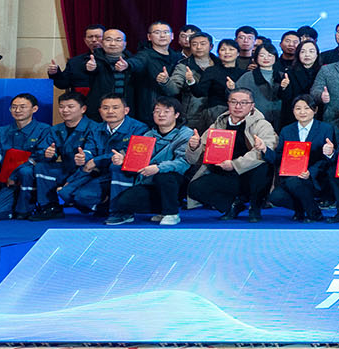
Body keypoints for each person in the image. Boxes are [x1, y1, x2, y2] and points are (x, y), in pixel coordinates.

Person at [185, 87, 279, 220]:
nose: (238, 106)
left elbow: (266, 151)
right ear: (228, 104)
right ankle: (232, 206)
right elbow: (193, 159)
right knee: (195, 188)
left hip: (251, 175)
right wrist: (194, 147)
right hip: (226, 175)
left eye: (243, 103)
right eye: (233, 102)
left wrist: (235, 165)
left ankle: (255, 207)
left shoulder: (262, 125)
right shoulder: (218, 124)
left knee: (263, 165)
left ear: (252, 106)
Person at [107, 97, 195, 225]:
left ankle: (171, 213)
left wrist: (158, 168)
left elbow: (183, 163)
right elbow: (137, 160)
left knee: (164, 177)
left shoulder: (186, 134)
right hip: (150, 180)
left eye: (166, 111)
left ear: (176, 114)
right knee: (124, 202)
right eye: (157, 111)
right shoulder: (147, 135)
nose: (161, 115)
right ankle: (161, 209)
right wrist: (124, 160)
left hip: (177, 181)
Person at [0, 91, 53, 220]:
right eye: (14, 107)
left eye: (22, 107)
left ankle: (28, 207)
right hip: (8, 182)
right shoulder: (1, 131)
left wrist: (14, 174)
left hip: (32, 181)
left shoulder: (45, 130)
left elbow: (40, 157)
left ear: (34, 109)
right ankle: (14, 206)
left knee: (26, 171)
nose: (17, 110)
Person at [269, 95, 335, 224]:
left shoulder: (326, 128)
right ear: (293, 111)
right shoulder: (287, 130)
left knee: (295, 181)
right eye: (298, 108)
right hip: (291, 177)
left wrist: (311, 172)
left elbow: (326, 159)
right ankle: (305, 209)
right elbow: (279, 157)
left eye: (306, 108)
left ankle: (313, 214)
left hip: (315, 177)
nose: (302, 112)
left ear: (315, 110)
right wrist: (264, 150)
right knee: (276, 197)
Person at [128, 21, 185, 124]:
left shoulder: (178, 57)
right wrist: (127, 65)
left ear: (172, 36)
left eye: (166, 32)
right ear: (149, 37)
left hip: (174, 109)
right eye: (157, 32)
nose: (162, 35)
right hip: (150, 109)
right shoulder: (144, 55)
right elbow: (136, 62)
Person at [238, 44, 285, 128]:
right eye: (262, 55)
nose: (266, 58)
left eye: (270, 55)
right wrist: (230, 88)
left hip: (280, 119)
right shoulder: (247, 77)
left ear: (275, 57)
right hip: (255, 120)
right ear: (256, 57)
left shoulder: (283, 76)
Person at [282, 38, 324, 108]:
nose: (307, 55)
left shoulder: (324, 71)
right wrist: (284, 87)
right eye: (303, 52)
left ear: (317, 54)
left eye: (311, 51)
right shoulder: (289, 73)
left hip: (319, 110)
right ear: (298, 54)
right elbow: (285, 98)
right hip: (296, 110)